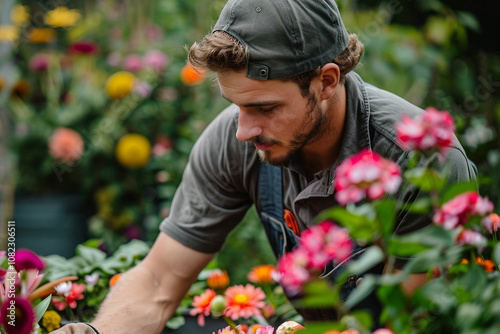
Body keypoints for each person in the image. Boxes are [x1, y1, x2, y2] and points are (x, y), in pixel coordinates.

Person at [52, 0, 477, 333]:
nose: (243, 131)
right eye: (235, 106)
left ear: (327, 81)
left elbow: (412, 321)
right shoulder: (237, 140)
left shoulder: (421, 161)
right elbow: (160, 280)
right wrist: (94, 330)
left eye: (265, 107)